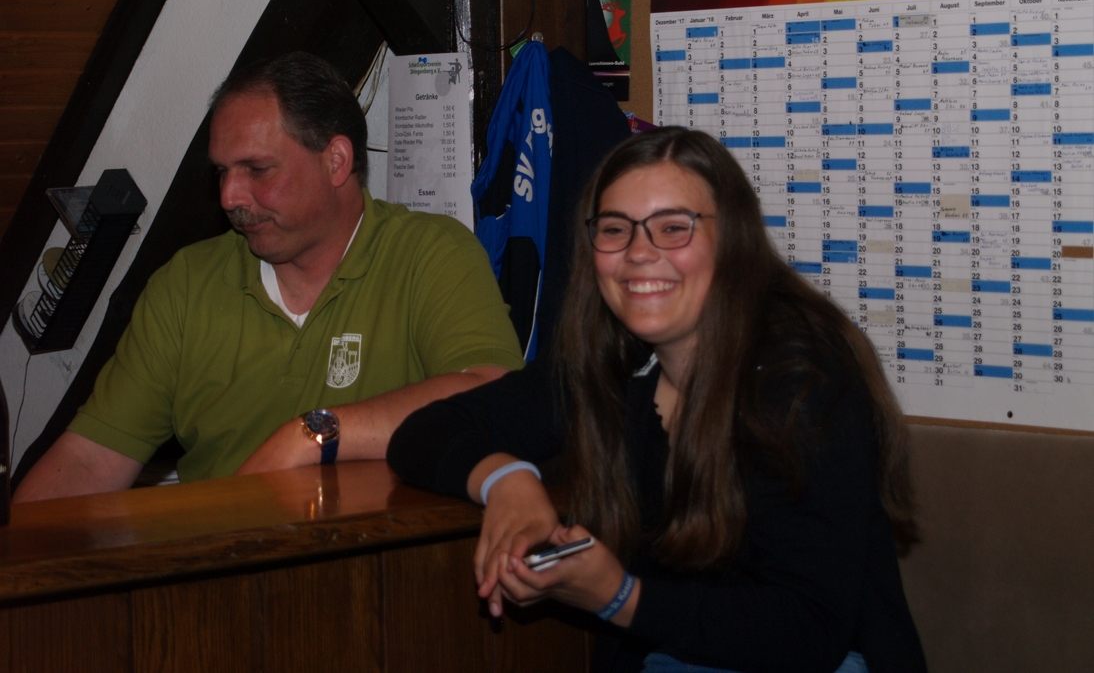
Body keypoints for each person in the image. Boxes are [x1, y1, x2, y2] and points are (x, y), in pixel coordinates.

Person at [388, 127, 927, 673]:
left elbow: (808, 630)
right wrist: (508, 482)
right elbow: (423, 432)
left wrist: (619, 598)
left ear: (732, 240)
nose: (639, 253)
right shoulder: (611, 359)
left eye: (673, 228)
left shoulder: (803, 380)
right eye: (615, 229)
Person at [15, 52, 524, 502]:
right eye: (222, 172)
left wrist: (311, 436)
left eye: (257, 170)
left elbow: (494, 397)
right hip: (221, 567)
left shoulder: (430, 254)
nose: (229, 197)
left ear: (336, 161)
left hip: (382, 570)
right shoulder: (186, 285)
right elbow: (89, 461)